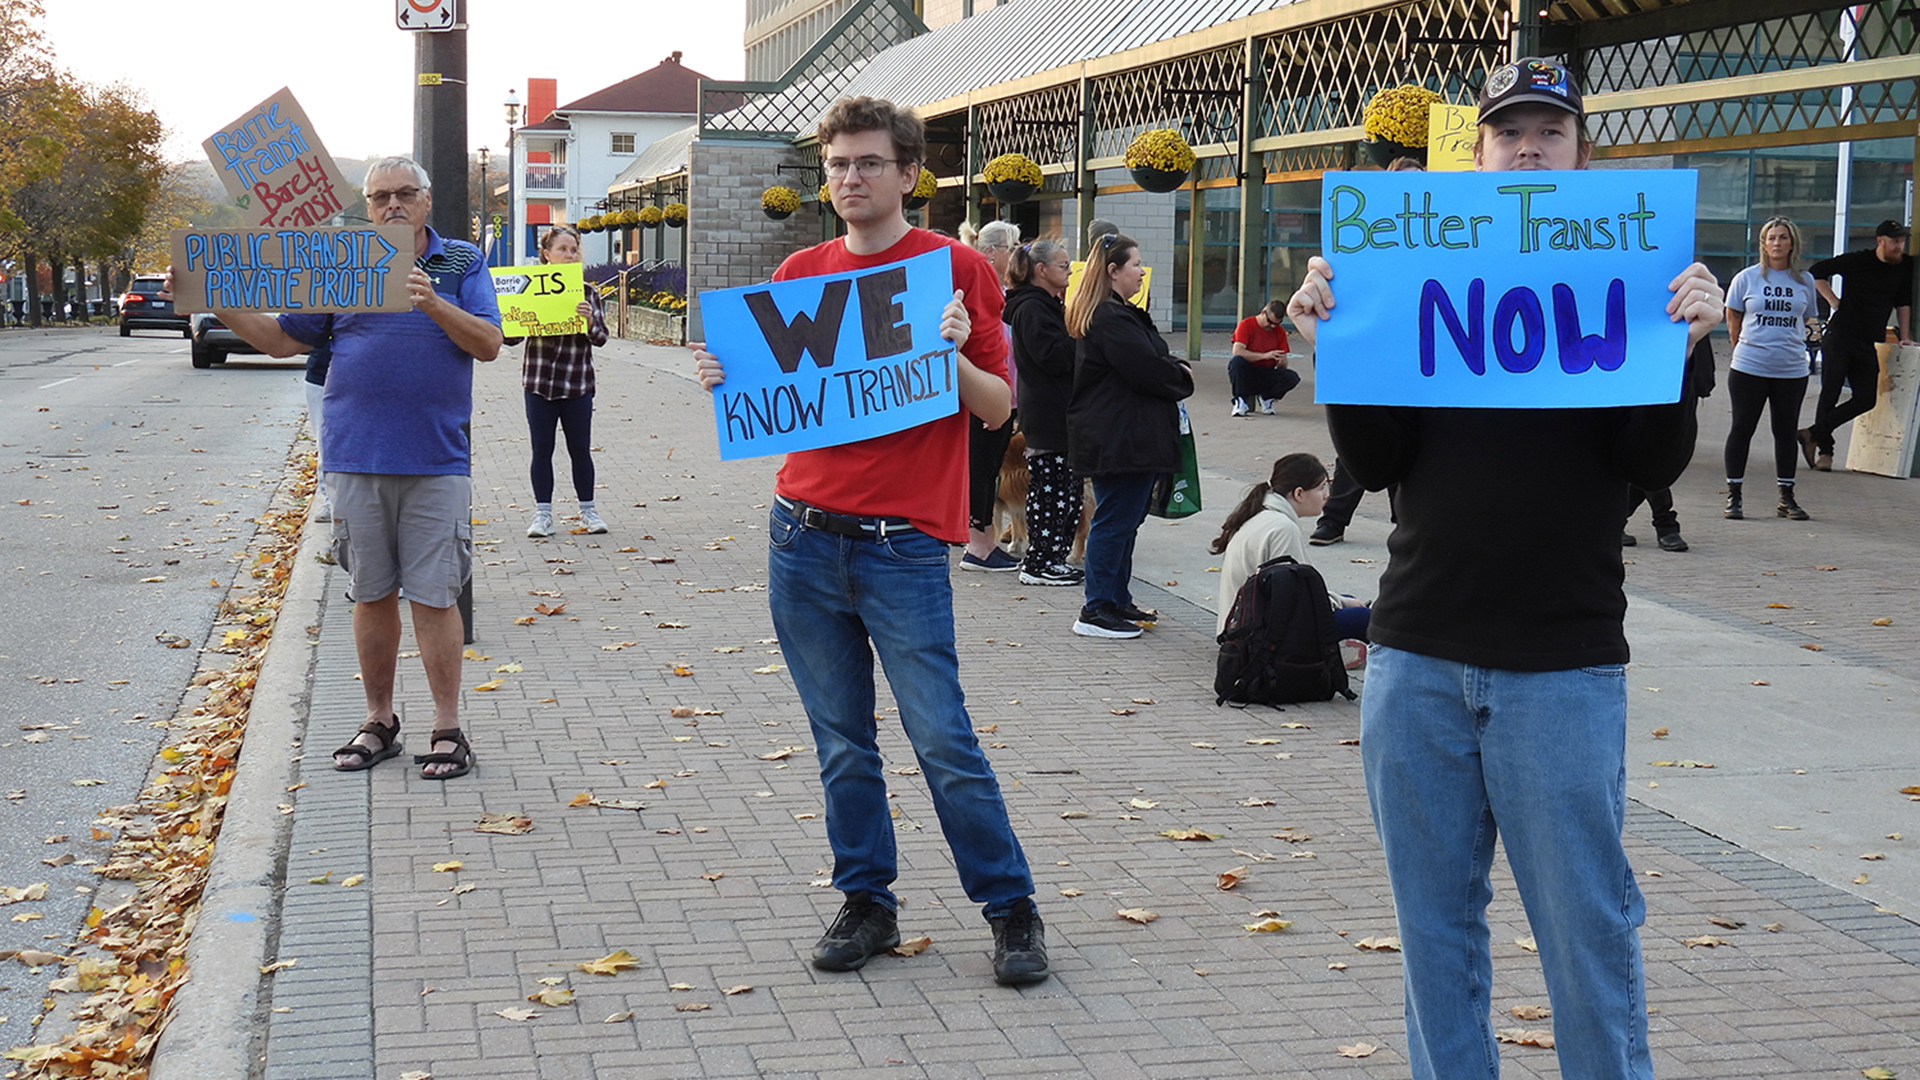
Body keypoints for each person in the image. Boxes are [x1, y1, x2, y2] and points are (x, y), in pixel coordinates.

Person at [1287, 58, 1725, 1080]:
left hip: (1562, 665)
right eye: (1509, 134)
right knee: (1434, 933)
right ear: (1476, 156)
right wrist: (1336, 348)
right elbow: (1379, 462)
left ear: (1581, 156)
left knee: (1588, 937)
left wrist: (1685, 348)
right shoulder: (1413, 276)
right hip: (1416, 655)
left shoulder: (1631, 285)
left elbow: (1650, 467)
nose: (1528, 148)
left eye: (1550, 133)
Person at [691, 96, 1047, 987]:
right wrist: (721, 376)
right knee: (840, 741)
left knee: (943, 740)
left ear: (909, 175)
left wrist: (954, 356)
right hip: (801, 538)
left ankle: (1011, 910)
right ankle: (868, 903)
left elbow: (999, 410)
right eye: (838, 163)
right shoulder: (801, 271)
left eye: (868, 163)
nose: (849, 178)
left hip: (903, 550)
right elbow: (774, 401)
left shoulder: (955, 269)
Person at [208, 156, 503, 781]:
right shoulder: (343, 266)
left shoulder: (463, 262)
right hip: (356, 454)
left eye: (403, 194)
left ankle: (448, 727)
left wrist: (430, 303)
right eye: (377, 198)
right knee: (370, 594)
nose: (390, 206)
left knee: (434, 596)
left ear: (426, 201)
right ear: (366, 207)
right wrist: (217, 302)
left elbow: (488, 343)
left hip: (435, 458)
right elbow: (284, 340)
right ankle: (379, 721)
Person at [1065, 232, 1195, 639]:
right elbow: (1146, 368)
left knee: (1124, 520)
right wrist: (1180, 375)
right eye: (1135, 264)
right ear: (1113, 271)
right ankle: (1097, 607)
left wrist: (1171, 366)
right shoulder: (1109, 317)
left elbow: (1151, 358)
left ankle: (1116, 599)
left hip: (1125, 436)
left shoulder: (1118, 314)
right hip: (1120, 438)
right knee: (1115, 521)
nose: (1141, 271)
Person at [511, 226, 610, 538]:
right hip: (539, 381)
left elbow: (602, 338)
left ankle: (588, 510)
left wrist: (589, 321)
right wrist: (515, 315)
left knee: (580, 448)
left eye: (573, 250)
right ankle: (543, 515)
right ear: (546, 254)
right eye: (563, 249)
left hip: (576, 382)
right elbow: (511, 337)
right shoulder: (530, 289)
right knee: (542, 448)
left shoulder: (588, 293)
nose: (569, 255)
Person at [1210, 453, 1369, 640]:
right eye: (1321, 488)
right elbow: (1298, 597)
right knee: (1367, 618)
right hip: (1259, 636)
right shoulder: (1282, 528)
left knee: (1347, 602)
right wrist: (1342, 604)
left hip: (1240, 626)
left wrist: (1342, 601)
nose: (1327, 495)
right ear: (1299, 493)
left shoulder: (1261, 514)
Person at [1800, 219, 1915, 471]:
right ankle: (1826, 454)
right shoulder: (1857, 261)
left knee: (1865, 398)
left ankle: (1811, 433)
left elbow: (1903, 302)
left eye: (1901, 241)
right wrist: (1833, 300)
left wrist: (1905, 335)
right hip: (1840, 336)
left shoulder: (1904, 266)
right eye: (1894, 241)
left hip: (1869, 341)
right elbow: (1816, 271)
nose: (1899, 246)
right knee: (1830, 392)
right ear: (1880, 241)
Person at [1725, 217, 1819, 519]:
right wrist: (1740, 345)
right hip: (1749, 366)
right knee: (1742, 428)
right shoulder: (1747, 278)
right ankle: (1734, 496)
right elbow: (1733, 316)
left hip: (1791, 369)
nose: (1777, 243)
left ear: (1792, 243)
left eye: (1782, 237)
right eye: (1771, 238)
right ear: (1763, 244)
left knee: (1784, 430)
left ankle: (1786, 498)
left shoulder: (1804, 281)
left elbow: (1809, 320)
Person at [1004, 238, 1082, 587]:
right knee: (1050, 490)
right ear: (1041, 270)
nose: (1068, 271)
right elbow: (1052, 357)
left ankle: (1054, 557)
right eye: (1063, 265)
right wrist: (1079, 336)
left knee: (1067, 491)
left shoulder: (1047, 305)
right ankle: (1040, 561)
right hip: (1047, 415)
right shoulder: (1032, 309)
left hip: (1058, 413)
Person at [961, 219, 1022, 571]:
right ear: (990, 252)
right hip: (987, 400)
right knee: (982, 471)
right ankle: (978, 545)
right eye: (1011, 248)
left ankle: (983, 541)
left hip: (1004, 397)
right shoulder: (980, 290)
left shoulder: (999, 290)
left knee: (989, 470)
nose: (1016, 255)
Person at [1228, 300, 1302, 417]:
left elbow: (1283, 364)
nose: (1272, 326)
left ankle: (1267, 397)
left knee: (1292, 377)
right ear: (1263, 313)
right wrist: (1265, 355)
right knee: (1236, 362)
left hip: (1266, 372)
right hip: (1247, 371)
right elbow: (1237, 352)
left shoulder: (1280, 332)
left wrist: (1282, 361)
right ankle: (1240, 401)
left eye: (1277, 324)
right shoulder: (1246, 325)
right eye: (1269, 322)